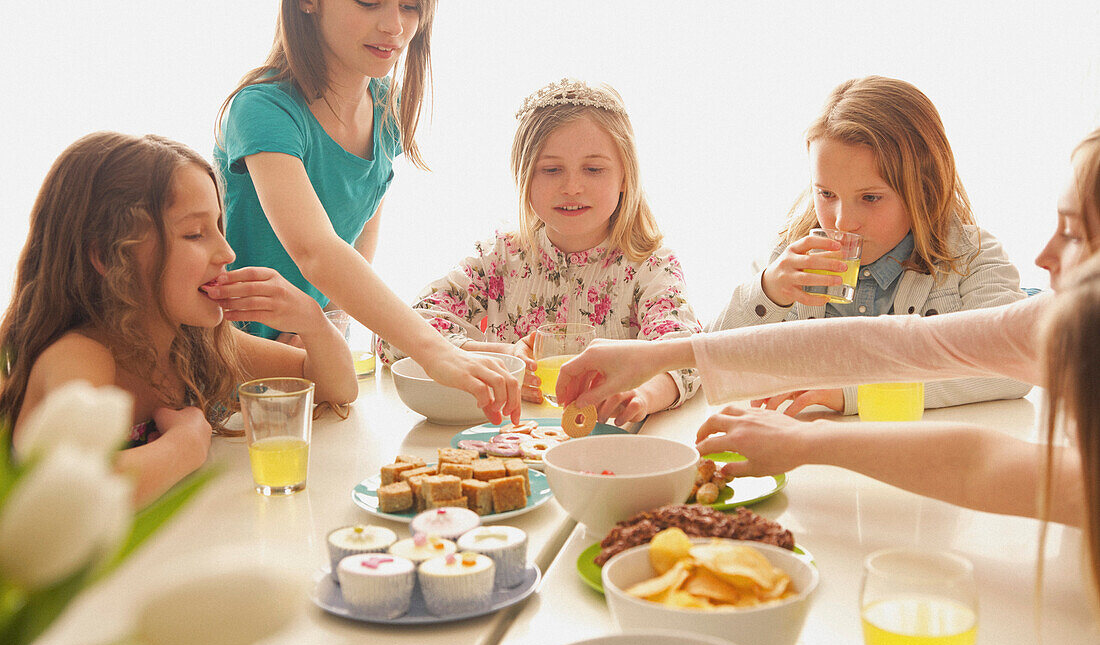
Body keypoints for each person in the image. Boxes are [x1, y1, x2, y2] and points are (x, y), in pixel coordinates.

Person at [555, 128, 1100, 601]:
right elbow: (894, 345)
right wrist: (666, 352)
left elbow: (983, 462)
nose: (1044, 255)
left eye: (1074, 234)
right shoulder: (1061, 320)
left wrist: (816, 438)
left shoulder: (981, 261)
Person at [0, 132, 358, 507]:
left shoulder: (193, 344)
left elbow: (336, 387)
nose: (227, 252)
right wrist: (184, 447)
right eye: (194, 233)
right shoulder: (80, 356)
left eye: (219, 227)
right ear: (108, 258)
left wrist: (312, 322)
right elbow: (64, 495)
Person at [214, 0, 520, 425]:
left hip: (308, 361)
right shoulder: (263, 108)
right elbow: (316, 250)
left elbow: (355, 244)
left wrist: (322, 329)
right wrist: (436, 352)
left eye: (410, 7)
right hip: (227, 355)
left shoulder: (385, 109)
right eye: (369, 2)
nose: (394, 25)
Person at [376, 79, 702, 425]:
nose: (572, 187)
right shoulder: (499, 257)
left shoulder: (650, 265)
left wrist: (642, 395)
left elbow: (687, 355)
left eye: (593, 169)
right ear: (524, 176)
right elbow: (397, 337)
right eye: (551, 170)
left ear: (625, 177)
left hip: (610, 450)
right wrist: (505, 358)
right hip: (510, 444)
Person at [708, 76, 1029, 416]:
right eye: (826, 194)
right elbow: (709, 364)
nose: (843, 221)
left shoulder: (973, 258)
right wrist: (767, 292)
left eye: (870, 197)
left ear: (923, 189)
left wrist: (854, 393)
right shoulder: (790, 255)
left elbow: (1014, 366)